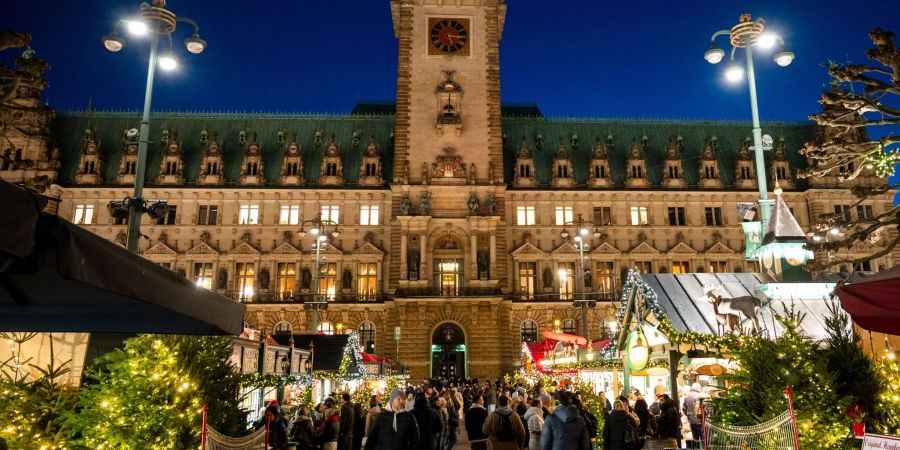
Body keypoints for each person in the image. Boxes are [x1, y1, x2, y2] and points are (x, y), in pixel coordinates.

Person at [683, 383, 708, 447]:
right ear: (698, 388)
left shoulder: (687, 396)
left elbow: (684, 408)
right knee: (703, 438)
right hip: (700, 420)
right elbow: (705, 408)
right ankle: (703, 448)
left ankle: (696, 448)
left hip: (691, 420)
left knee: (695, 438)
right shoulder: (700, 396)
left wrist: (689, 415)